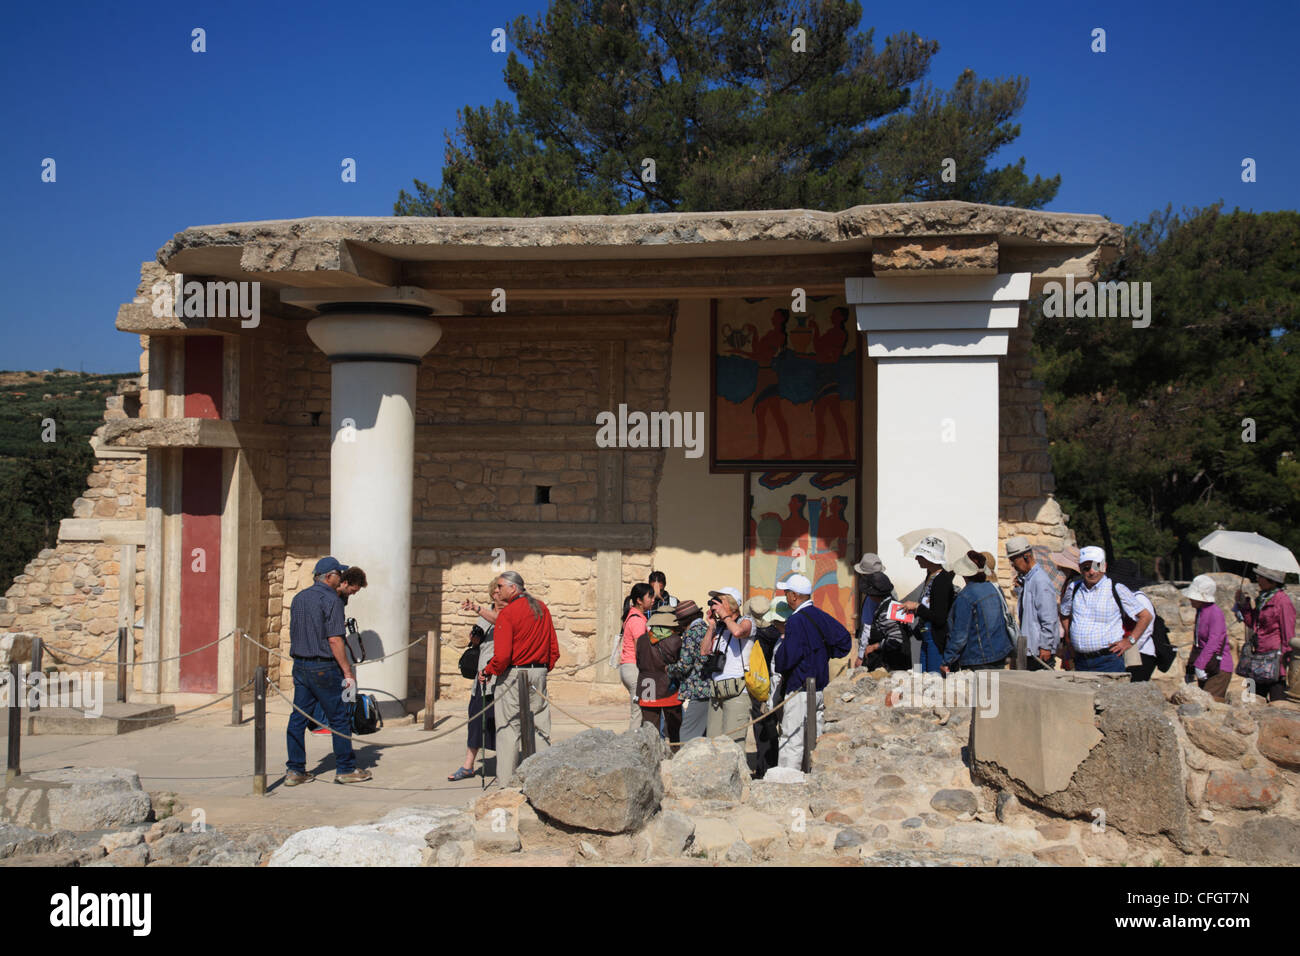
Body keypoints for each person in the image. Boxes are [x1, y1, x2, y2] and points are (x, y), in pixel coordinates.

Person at [284, 556, 372, 786]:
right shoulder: (330, 600)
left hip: (300, 664)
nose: (341, 579)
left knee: (298, 718)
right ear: (330, 576)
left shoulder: (299, 598)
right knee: (339, 718)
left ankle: (295, 769)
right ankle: (345, 768)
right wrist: (347, 672)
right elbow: (334, 640)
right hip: (323, 666)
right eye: (339, 575)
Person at [481, 571, 561, 780]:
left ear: (512, 588)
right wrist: (542, 669)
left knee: (508, 728)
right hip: (538, 672)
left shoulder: (508, 613)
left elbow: (502, 655)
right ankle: (543, 780)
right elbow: (554, 648)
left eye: (499, 586)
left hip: (513, 673)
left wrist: (489, 671)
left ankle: (505, 784)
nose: (496, 591)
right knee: (540, 726)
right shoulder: (542, 608)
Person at [773, 573, 850, 769]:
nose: (786, 597)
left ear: (794, 596)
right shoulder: (820, 615)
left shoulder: (796, 620)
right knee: (814, 740)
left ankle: (787, 783)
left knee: (792, 739)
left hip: (798, 687)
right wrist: (822, 654)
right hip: (819, 686)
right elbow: (844, 642)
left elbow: (787, 657)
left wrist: (781, 660)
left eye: (786, 593)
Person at [1059, 547, 1152, 674]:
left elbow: (1145, 616)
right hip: (1080, 661)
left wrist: (1130, 641)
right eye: (1086, 568)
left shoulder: (1116, 588)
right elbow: (1064, 613)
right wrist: (1069, 640)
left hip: (1108, 661)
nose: (1092, 572)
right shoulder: (1073, 588)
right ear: (1080, 569)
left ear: (1105, 566)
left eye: (1096, 566)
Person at [447, 581, 503, 781]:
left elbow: (500, 621)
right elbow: (477, 640)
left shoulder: (509, 613)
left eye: (500, 590)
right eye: (495, 591)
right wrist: (475, 638)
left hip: (503, 677)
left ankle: (508, 765)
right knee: (476, 719)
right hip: (483, 676)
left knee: (503, 722)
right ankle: (468, 765)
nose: (496, 594)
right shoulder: (486, 613)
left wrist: (476, 608)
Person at [307, 565, 369, 734]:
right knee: (326, 684)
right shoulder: (330, 595)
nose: (354, 593)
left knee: (335, 684)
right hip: (324, 646)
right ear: (345, 582)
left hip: (334, 640)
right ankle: (321, 722)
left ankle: (332, 720)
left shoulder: (342, 598)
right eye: (353, 590)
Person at [941, 552, 1014, 672]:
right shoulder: (994, 588)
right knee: (994, 690)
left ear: (964, 574)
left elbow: (960, 635)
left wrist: (947, 660)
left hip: (977, 658)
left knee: (982, 690)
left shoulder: (965, 597)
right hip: (1000, 653)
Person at [702, 588, 756, 744]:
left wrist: (725, 616)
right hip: (717, 691)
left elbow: (739, 632)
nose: (715, 605)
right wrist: (711, 626)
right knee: (713, 743)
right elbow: (704, 651)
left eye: (720, 601)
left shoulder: (747, 621)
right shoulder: (719, 627)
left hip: (737, 692)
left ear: (732, 604)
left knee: (733, 745)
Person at [1235, 566, 1295, 702]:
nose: (1258, 579)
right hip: (1258, 656)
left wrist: (1285, 665)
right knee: (1252, 700)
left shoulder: (1283, 602)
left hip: (1274, 660)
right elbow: (1253, 624)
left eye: (1261, 577)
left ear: (1272, 581)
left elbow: (1288, 634)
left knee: (1277, 702)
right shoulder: (1262, 599)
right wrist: (1244, 605)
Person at [900, 536, 954, 673]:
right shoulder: (930, 576)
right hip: (926, 635)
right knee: (922, 676)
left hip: (935, 639)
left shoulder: (942, 581)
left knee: (934, 678)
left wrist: (917, 607)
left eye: (920, 555)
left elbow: (940, 617)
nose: (917, 558)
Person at [1007, 536, 1058, 670]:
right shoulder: (1029, 579)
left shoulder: (1040, 580)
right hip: (1029, 649)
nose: (1013, 565)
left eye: (1014, 560)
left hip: (1039, 651)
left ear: (1026, 557)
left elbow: (1049, 617)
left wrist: (1046, 646)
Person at [746, 596, 784, 777]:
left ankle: (764, 768)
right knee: (776, 727)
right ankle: (775, 764)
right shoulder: (777, 633)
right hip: (776, 683)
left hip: (759, 685)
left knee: (761, 727)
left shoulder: (754, 635)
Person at [666, 600, 711, 743]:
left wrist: (669, 669)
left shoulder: (692, 633)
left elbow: (685, 665)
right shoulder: (706, 629)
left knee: (687, 733)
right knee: (702, 733)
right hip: (709, 686)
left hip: (699, 689)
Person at [1183, 574, 1233, 701]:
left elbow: (1213, 642)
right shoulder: (1201, 612)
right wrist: (1190, 668)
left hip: (1218, 668)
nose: (1190, 599)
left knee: (1209, 704)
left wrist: (1199, 665)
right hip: (1206, 665)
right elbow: (1197, 643)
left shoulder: (1215, 613)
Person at [636, 609, 684, 742]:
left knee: (650, 728)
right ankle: (674, 753)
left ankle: (652, 757)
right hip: (669, 686)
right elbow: (680, 665)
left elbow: (639, 662)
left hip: (647, 685)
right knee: (674, 728)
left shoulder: (641, 640)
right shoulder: (675, 640)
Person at [618, 583, 655, 731]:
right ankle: (633, 744)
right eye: (650, 596)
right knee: (640, 711)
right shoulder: (638, 620)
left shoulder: (633, 617)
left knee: (643, 709)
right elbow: (641, 649)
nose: (653, 600)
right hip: (636, 669)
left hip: (629, 668)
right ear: (639, 600)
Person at [856, 572, 911, 671]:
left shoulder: (886, 612)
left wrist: (874, 646)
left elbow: (896, 639)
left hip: (895, 664)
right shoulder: (893, 604)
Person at [852, 552, 887, 667]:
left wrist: (860, 656)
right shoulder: (887, 590)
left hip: (873, 650)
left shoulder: (872, 597)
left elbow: (867, 628)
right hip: (886, 646)